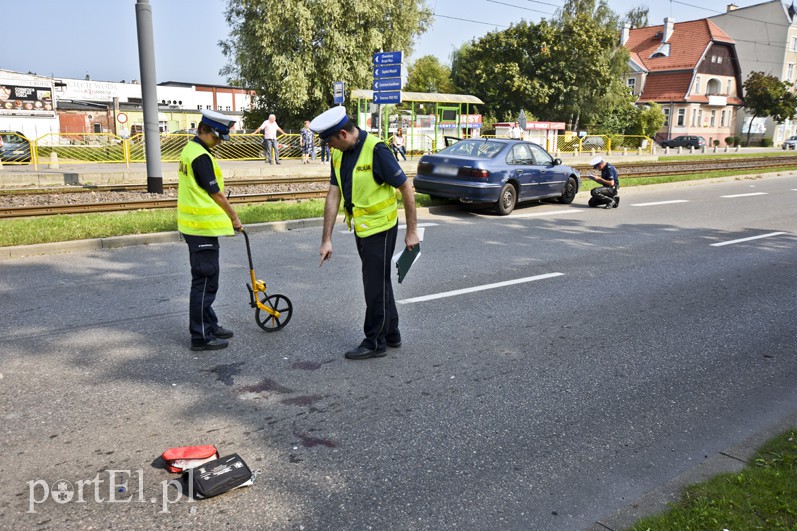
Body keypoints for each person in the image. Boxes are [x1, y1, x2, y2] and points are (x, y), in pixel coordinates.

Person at [311, 106, 420, 361]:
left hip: (381, 229)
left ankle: (375, 341)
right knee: (379, 281)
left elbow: (406, 187)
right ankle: (391, 333)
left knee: (374, 286)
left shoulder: (377, 150)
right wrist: (326, 238)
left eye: (330, 142)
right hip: (362, 229)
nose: (329, 147)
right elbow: (333, 194)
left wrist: (412, 232)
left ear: (343, 134)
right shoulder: (340, 154)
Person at [177, 109, 243, 351]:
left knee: (209, 279)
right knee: (204, 281)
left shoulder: (192, 149)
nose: (218, 142)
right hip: (200, 227)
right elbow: (216, 193)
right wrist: (234, 217)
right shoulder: (200, 156)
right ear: (203, 130)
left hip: (196, 226)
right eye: (216, 136)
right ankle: (200, 336)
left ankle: (210, 323)